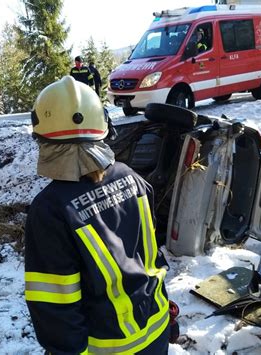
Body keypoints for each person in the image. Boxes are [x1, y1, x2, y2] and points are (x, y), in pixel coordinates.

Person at [25, 75, 170, 354]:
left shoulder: (51, 209)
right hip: (156, 328)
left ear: (42, 137)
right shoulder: (132, 178)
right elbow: (150, 255)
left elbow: (55, 304)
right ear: (103, 127)